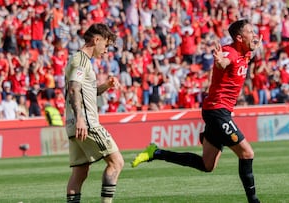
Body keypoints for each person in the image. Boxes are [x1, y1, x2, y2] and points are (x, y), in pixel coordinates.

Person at [131, 19, 261, 203]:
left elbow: (249, 52)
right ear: (239, 37)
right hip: (217, 111)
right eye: (250, 31)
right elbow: (224, 62)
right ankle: (254, 201)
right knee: (247, 153)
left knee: (207, 165)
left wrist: (254, 46)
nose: (254, 35)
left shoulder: (245, 51)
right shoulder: (230, 51)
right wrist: (219, 61)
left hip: (216, 111)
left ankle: (156, 153)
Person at [64, 23, 124, 203]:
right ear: (96, 39)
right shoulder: (81, 60)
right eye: (105, 45)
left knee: (80, 173)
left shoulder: (80, 61)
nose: (106, 50)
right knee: (117, 162)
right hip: (86, 123)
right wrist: (81, 119)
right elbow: (74, 89)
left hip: (74, 124)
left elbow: (86, 91)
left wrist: (106, 85)